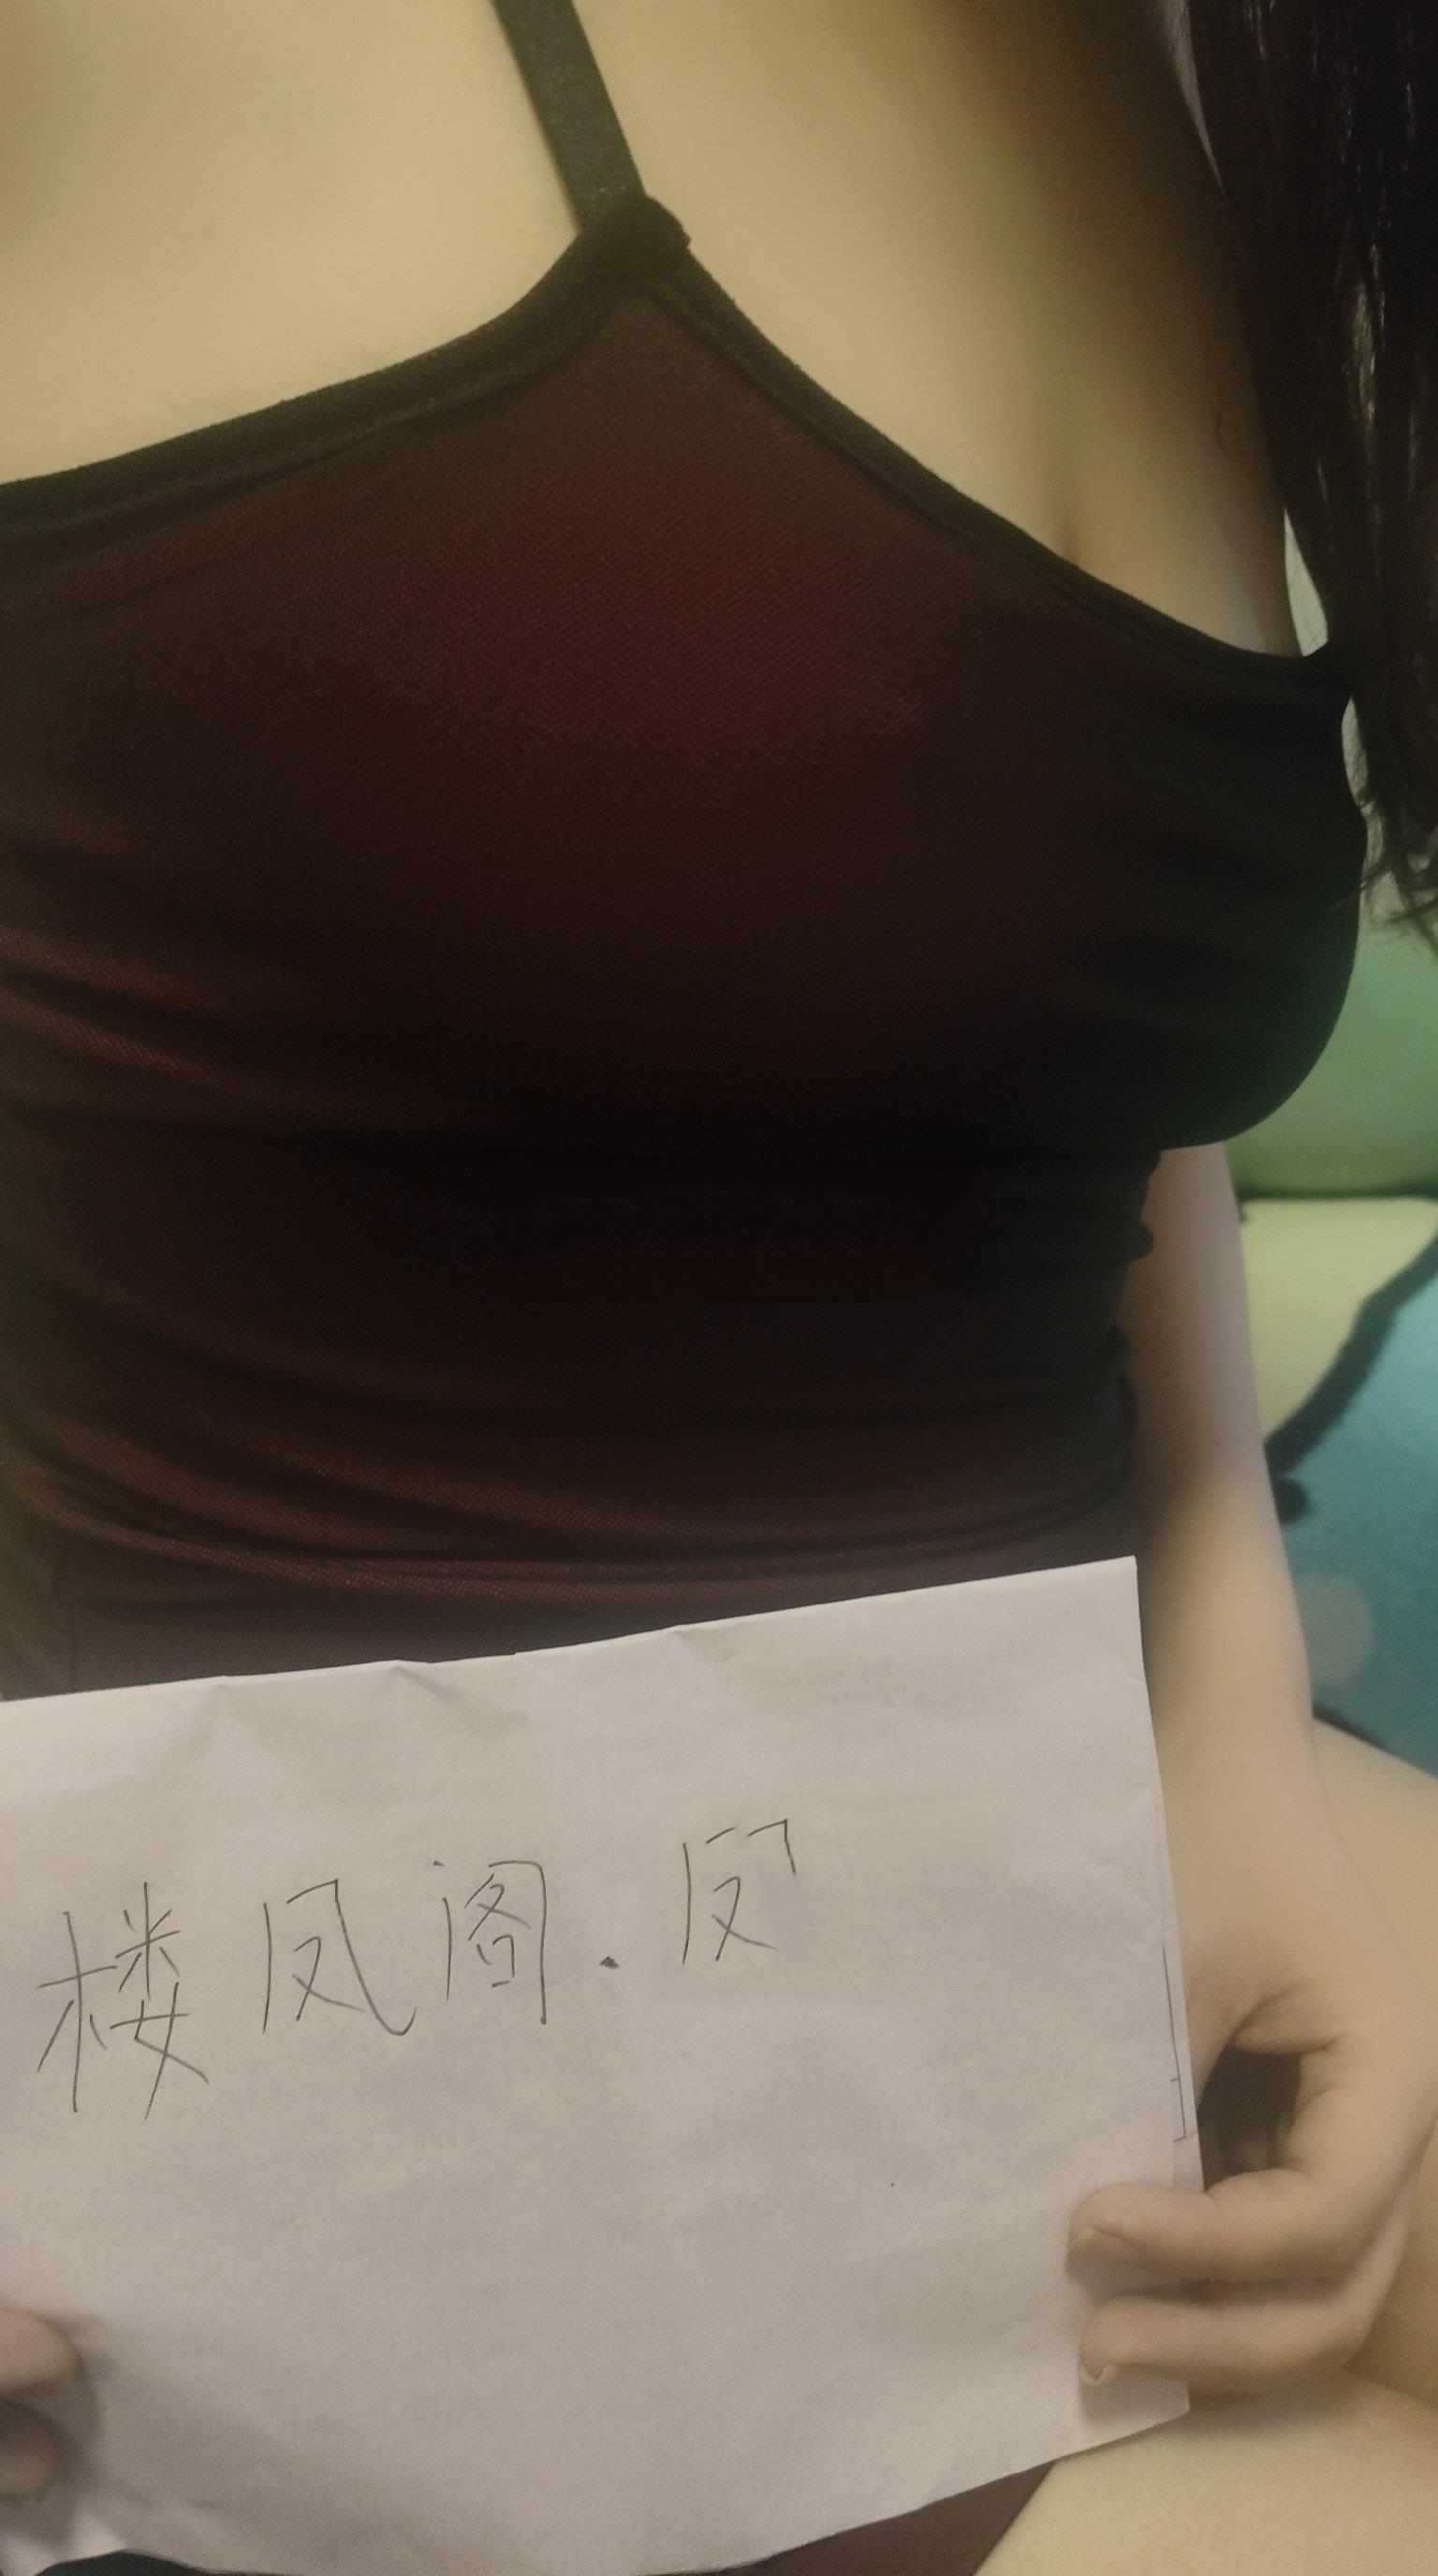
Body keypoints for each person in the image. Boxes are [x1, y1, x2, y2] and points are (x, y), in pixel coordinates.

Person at [2, 1, 1437, 2570]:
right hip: (228, 2171)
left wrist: (1228, 1724)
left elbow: (1057, 1039)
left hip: (971, 1965)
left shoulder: (1218, 67)